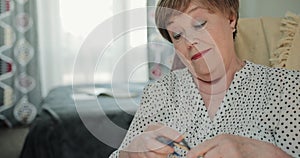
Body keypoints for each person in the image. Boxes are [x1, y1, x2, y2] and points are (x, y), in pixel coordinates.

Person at [109, 0, 300, 157]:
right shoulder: (159, 92)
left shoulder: (286, 87)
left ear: (231, 19)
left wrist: (265, 153)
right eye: (177, 35)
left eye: (199, 24)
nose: (190, 41)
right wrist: (128, 153)